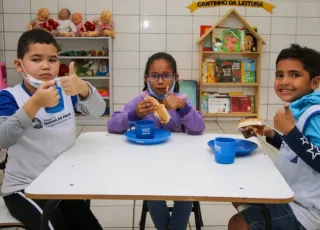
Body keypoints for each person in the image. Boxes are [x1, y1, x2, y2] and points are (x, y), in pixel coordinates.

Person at [0, 29, 106, 230]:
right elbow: (3, 139)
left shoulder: (66, 90)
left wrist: (83, 88)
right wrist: (35, 103)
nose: (45, 66)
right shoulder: (9, 97)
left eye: (52, 59)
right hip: (24, 188)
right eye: (36, 59)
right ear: (19, 65)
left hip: (60, 183)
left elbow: (99, 110)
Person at [107, 52, 205, 230]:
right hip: (148, 164)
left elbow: (198, 128)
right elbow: (112, 125)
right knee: (151, 192)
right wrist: (134, 114)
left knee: (186, 193)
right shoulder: (140, 100)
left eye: (166, 75)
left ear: (175, 77)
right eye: (154, 76)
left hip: (180, 163)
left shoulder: (181, 100)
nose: (160, 81)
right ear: (147, 78)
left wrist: (183, 108)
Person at [229, 44, 320, 230]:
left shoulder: (315, 114)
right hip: (286, 192)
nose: (285, 81)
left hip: (307, 210)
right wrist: (271, 134)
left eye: (295, 75)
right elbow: (297, 154)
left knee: (237, 224)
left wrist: (291, 132)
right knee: (237, 193)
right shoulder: (298, 109)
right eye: (280, 75)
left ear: (314, 83)